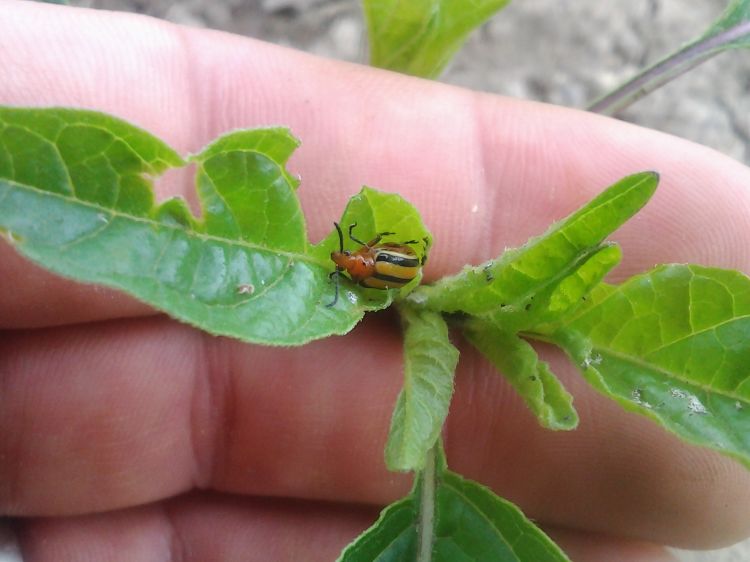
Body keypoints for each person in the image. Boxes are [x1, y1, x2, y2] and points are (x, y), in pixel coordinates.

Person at [1, 2, 749, 561]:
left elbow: (375, 264)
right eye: (352, 266)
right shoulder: (358, 265)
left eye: (352, 263)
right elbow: (372, 266)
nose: (349, 264)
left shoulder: (358, 263)